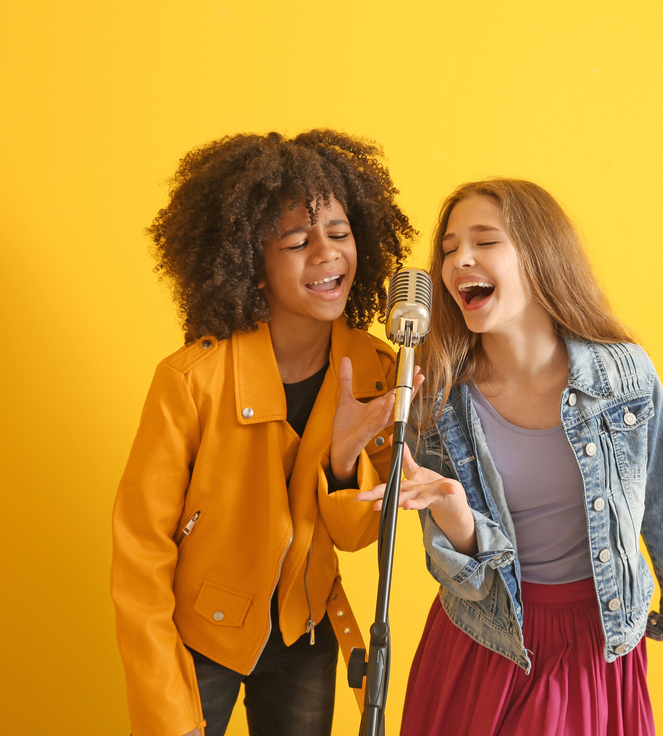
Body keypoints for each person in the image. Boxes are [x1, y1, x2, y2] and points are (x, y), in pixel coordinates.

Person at [357, 179, 663, 735]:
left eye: (485, 241)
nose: (459, 260)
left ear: (541, 255)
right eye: (449, 248)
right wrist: (452, 511)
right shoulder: (434, 395)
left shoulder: (624, 374)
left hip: (596, 645)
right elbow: (465, 574)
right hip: (483, 641)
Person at [111, 130, 416, 736]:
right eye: (298, 242)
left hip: (306, 635)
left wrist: (343, 460)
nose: (327, 254)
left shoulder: (380, 370)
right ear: (252, 266)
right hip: (201, 638)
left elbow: (356, 536)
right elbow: (140, 553)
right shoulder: (190, 381)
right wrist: (168, 714)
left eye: (340, 233)